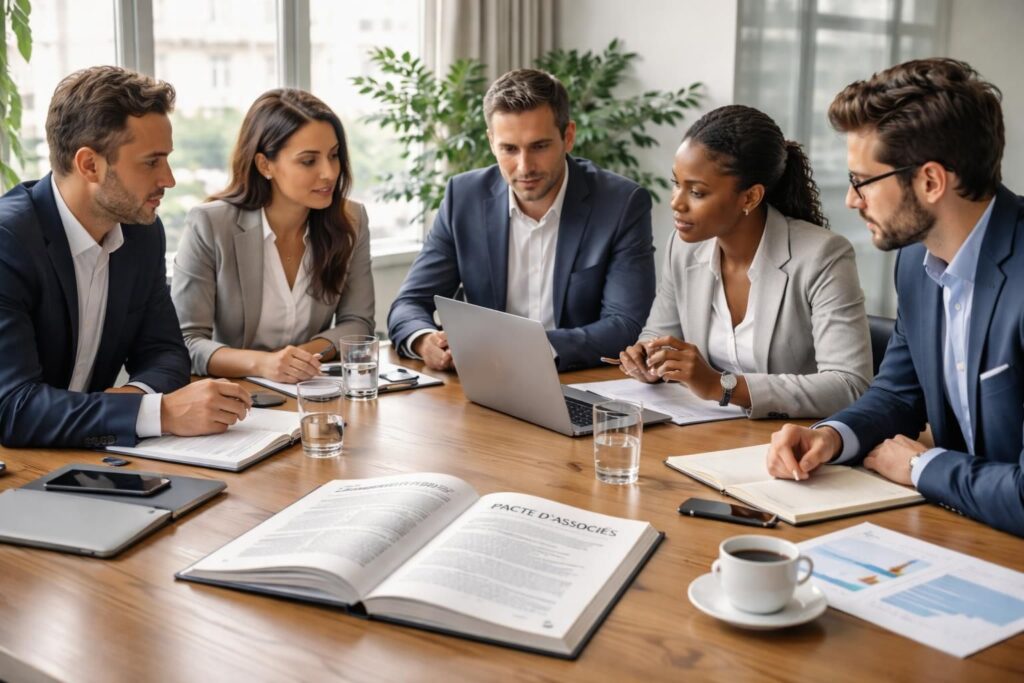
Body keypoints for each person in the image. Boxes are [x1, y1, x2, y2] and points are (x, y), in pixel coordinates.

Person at [766, 58, 1024, 537]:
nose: (851, 200)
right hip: (961, 530)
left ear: (930, 181)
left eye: (862, 181)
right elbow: (899, 393)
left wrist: (923, 467)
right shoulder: (917, 262)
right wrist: (830, 435)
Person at [0, 66, 252, 448]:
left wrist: (132, 403)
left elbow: (166, 353)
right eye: (151, 162)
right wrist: (160, 413)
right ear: (89, 165)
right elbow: (14, 408)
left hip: (83, 457)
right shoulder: (9, 242)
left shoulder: (141, 232)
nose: (168, 179)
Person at [386, 68, 656, 372]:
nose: (524, 166)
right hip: (488, 385)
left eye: (539, 146)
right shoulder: (464, 197)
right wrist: (424, 340)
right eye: (509, 149)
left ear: (568, 137)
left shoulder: (621, 203)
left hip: (579, 381)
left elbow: (626, 325)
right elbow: (408, 303)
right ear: (491, 142)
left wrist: (527, 350)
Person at [617, 105, 871, 418]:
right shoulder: (682, 249)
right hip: (702, 435)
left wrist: (723, 387)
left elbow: (849, 385)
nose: (676, 202)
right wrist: (648, 359)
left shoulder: (823, 256)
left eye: (696, 192)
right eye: (676, 183)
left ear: (749, 197)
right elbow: (658, 335)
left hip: (788, 444)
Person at [172, 89, 374, 383]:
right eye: (308, 161)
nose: (329, 173)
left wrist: (297, 359)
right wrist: (263, 364)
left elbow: (358, 323)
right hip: (234, 398)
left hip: (309, 391)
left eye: (333, 156)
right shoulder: (210, 224)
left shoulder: (351, 220)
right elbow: (186, 342)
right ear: (265, 165)